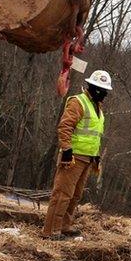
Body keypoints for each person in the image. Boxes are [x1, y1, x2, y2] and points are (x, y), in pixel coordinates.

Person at [41, 70, 112, 240]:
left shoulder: (98, 108)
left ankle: (65, 226)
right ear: (94, 88)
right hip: (73, 157)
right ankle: (51, 230)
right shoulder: (78, 102)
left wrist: (95, 156)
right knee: (62, 195)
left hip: (87, 159)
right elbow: (65, 127)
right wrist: (66, 149)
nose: (104, 94)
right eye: (102, 90)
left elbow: (94, 136)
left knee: (75, 196)